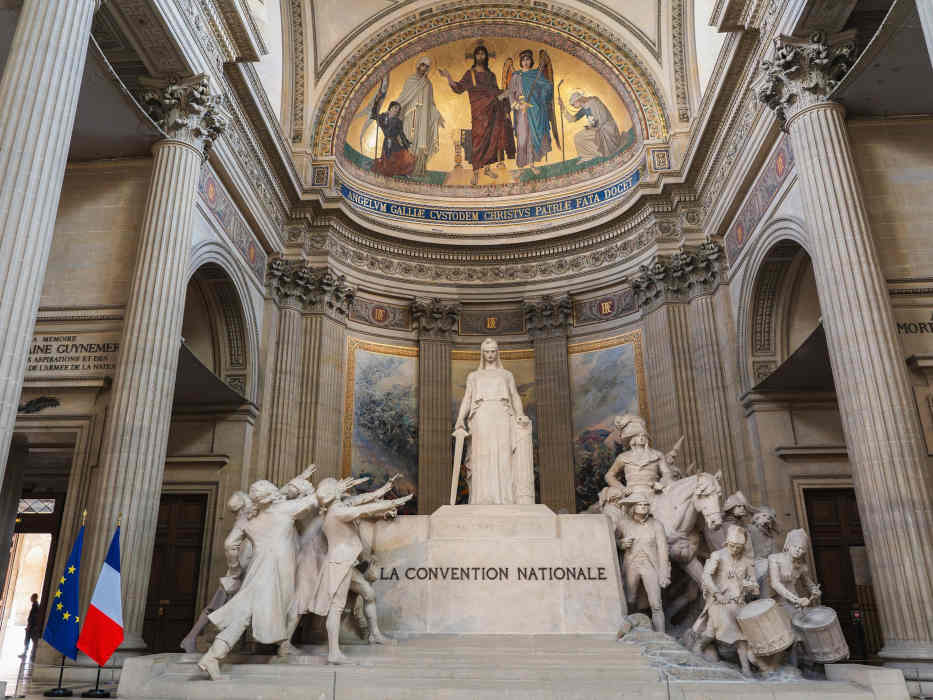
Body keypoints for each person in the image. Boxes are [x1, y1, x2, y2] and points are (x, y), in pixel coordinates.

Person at [198, 479, 320, 680]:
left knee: (244, 613)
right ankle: (213, 657)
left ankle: (213, 656)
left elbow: (230, 544)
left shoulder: (246, 518)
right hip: (276, 571)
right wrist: (327, 488)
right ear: (272, 494)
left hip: (258, 568)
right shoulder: (285, 509)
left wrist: (235, 569)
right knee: (250, 612)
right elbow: (316, 499)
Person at [308, 478, 413, 664]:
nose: (342, 487)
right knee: (336, 607)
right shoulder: (337, 511)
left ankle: (375, 634)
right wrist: (392, 502)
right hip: (340, 563)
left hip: (347, 562)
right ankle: (334, 653)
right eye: (338, 486)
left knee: (368, 593)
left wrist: (384, 490)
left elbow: (361, 502)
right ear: (333, 493)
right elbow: (364, 509)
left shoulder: (336, 509)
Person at [454, 337, 534, 505]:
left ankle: (505, 497)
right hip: (481, 416)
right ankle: (482, 498)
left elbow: (514, 395)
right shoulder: (474, 376)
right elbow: (467, 398)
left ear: (497, 353)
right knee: (482, 456)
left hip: (502, 415)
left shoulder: (506, 375)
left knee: (503, 455)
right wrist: (460, 418)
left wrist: (520, 413)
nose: (490, 355)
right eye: (487, 352)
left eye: (493, 351)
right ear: (482, 354)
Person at [439, 45, 516, 185]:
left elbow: (494, 90)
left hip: (492, 111)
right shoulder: (470, 74)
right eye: (478, 54)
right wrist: (448, 77)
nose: (480, 56)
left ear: (486, 56)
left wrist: (504, 94)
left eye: (483, 54)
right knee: (478, 142)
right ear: (474, 56)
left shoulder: (491, 75)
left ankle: (487, 169)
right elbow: (459, 88)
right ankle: (475, 173)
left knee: (491, 141)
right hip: (479, 112)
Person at [692, 525, 759, 676]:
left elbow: (754, 586)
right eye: (732, 546)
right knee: (721, 626)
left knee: (741, 632)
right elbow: (706, 576)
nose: (734, 549)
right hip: (719, 601)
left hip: (739, 602)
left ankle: (745, 667)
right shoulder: (718, 555)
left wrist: (751, 586)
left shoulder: (747, 561)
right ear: (727, 543)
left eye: (738, 547)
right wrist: (717, 593)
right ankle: (699, 647)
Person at [618, 494, 671, 633]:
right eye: (640, 504)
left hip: (650, 565)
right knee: (629, 600)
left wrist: (664, 572)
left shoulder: (656, 524)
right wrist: (621, 543)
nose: (644, 507)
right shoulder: (623, 523)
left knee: (656, 604)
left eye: (646, 504)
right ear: (633, 507)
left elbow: (663, 550)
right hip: (631, 565)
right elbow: (613, 542)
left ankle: (661, 635)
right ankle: (630, 630)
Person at [499, 49, 554, 174]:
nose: (525, 62)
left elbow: (548, 86)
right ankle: (520, 166)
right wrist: (516, 105)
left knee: (532, 138)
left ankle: (531, 164)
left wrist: (541, 95)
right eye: (523, 60)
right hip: (521, 111)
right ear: (520, 62)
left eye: (528, 59)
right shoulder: (516, 76)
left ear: (531, 61)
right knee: (522, 138)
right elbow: (511, 92)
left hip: (534, 110)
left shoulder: (536, 74)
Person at [604, 414, 679, 501]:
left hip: (654, 493)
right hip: (632, 495)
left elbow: (667, 473)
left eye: (643, 435)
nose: (641, 438)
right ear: (632, 438)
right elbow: (609, 476)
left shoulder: (657, 455)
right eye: (638, 436)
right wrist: (622, 488)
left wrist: (662, 483)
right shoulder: (623, 457)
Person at [394, 56, 446, 177]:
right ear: (418, 65)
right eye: (423, 65)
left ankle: (416, 170)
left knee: (420, 143)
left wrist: (437, 116)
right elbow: (404, 97)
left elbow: (431, 103)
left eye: (427, 67)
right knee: (407, 139)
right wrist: (394, 109)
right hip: (410, 115)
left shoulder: (428, 84)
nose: (424, 68)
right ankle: (403, 168)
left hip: (423, 119)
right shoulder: (411, 80)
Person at [558, 90, 622, 163]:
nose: (574, 106)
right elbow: (573, 119)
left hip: (606, 130)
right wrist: (562, 107)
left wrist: (591, 127)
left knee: (580, 137)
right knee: (578, 137)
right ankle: (587, 156)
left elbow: (601, 120)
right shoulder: (585, 107)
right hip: (597, 128)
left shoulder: (594, 102)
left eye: (573, 104)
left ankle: (600, 153)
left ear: (578, 100)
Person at [371, 94, 416, 177]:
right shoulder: (382, 117)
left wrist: (406, 143)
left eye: (398, 109)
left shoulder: (398, 121)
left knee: (402, 157)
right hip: (387, 142)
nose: (397, 110)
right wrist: (376, 102)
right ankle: (388, 172)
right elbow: (374, 115)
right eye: (395, 108)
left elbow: (401, 134)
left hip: (395, 143)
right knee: (387, 160)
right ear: (390, 108)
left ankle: (404, 172)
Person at [21, 593, 40, 659]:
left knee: (30, 640)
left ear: (34, 598)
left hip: (32, 627)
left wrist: (30, 626)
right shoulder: (35, 605)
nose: (30, 598)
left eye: (32, 597)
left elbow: (34, 617)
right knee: (27, 640)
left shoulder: (36, 606)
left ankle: (31, 654)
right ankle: (26, 653)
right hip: (31, 626)